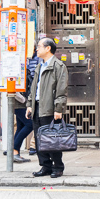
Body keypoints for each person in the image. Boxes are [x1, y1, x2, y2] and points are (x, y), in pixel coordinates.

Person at [26, 38, 68, 178]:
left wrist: (58, 109)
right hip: (37, 106)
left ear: (48, 48)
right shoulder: (40, 66)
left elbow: (61, 90)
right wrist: (29, 105)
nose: (36, 49)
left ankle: (58, 167)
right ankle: (45, 166)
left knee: (52, 139)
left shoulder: (58, 66)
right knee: (39, 139)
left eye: (39, 46)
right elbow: (34, 88)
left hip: (50, 108)